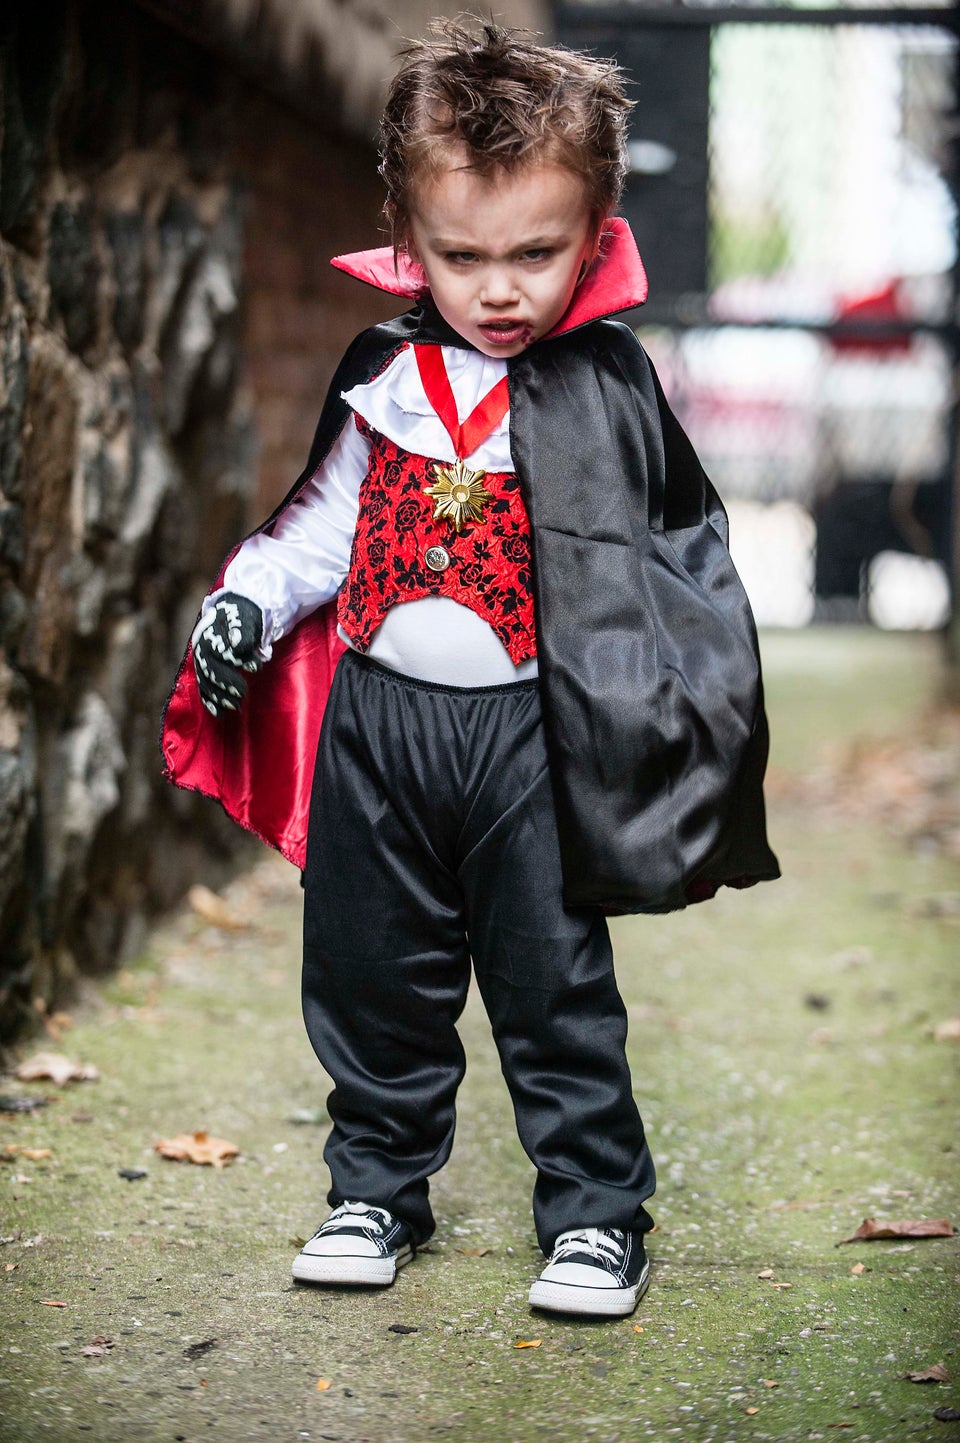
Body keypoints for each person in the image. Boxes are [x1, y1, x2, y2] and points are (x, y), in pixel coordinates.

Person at [161, 20, 779, 1319]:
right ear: (406, 235)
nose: (499, 290)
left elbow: (668, 557)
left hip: (531, 743)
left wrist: (678, 704)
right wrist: (246, 604)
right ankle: (375, 1190)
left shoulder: (603, 381)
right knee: (369, 972)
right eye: (462, 257)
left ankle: (598, 1215)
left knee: (554, 984)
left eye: (536, 255)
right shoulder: (386, 374)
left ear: (597, 230)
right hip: (378, 730)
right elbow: (321, 527)